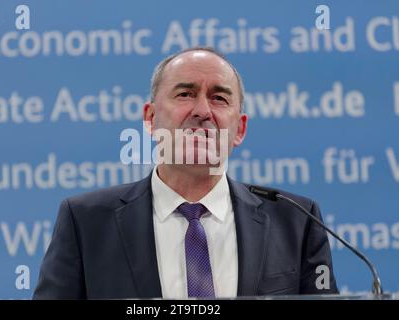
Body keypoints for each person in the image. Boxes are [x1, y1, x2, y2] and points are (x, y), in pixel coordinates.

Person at [33, 47, 338, 299]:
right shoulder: (86, 221)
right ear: (150, 119)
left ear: (240, 129)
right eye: (185, 94)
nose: (203, 111)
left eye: (219, 98)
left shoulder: (296, 220)